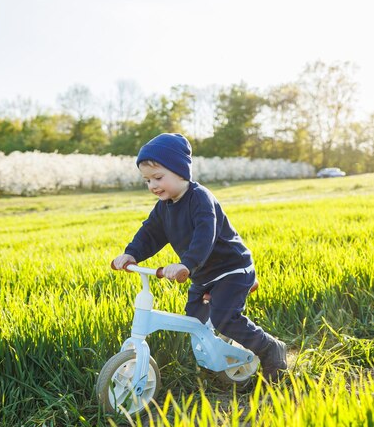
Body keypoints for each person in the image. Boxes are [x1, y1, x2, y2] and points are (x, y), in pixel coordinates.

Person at [112, 133, 287, 382]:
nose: (152, 185)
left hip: (231, 269)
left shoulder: (200, 199)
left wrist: (186, 264)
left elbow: (205, 236)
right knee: (194, 320)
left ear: (180, 171)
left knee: (224, 317)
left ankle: (270, 348)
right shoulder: (164, 207)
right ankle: (218, 358)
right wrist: (131, 253)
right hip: (203, 273)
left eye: (158, 177)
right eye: (147, 180)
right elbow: (150, 233)